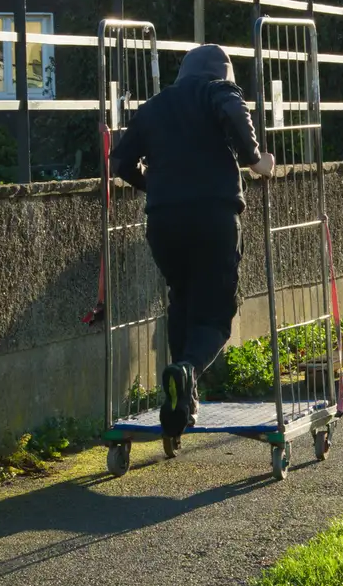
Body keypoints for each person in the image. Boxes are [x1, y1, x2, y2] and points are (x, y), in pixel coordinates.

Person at [108, 44, 275, 444]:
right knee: (218, 310)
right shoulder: (218, 90)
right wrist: (255, 160)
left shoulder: (153, 107)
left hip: (164, 220)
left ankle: (180, 406)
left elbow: (119, 164)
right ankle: (187, 371)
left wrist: (159, 185)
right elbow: (234, 112)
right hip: (214, 215)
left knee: (181, 299)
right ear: (223, 72)